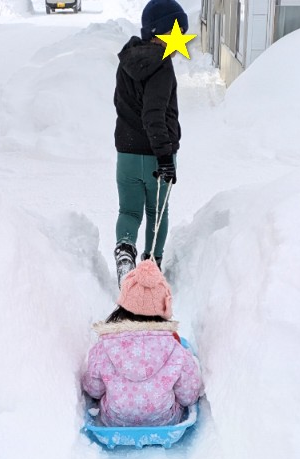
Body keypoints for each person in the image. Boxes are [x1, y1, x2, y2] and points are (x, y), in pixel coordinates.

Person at [112, 0, 188, 285]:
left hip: (127, 153)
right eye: (178, 32)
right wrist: (165, 156)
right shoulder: (162, 65)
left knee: (129, 211)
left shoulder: (127, 60)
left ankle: (125, 253)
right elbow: (153, 114)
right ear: (165, 31)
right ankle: (151, 267)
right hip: (157, 154)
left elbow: (121, 103)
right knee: (157, 212)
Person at [83, 260, 201, 427]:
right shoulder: (176, 350)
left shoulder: (104, 347)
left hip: (115, 421)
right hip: (164, 421)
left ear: (122, 308)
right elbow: (188, 396)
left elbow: (93, 390)